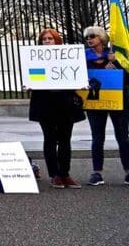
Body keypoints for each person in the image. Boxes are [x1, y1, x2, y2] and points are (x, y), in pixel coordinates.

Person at [28, 28, 85, 189]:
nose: (47, 41)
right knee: (50, 138)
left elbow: (75, 75)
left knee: (65, 139)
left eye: (50, 39)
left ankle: (65, 174)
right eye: (44, 39)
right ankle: (55, 175)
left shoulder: (68, 58)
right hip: (45, 103)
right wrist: (30, 84)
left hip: (65, 103)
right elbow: (34, 76)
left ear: (57, 40)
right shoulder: (35, 59)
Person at [81, 25, 129, 186]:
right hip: (95, 102)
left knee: (123, 137)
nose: (89, 39)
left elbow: (127, 77)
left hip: (117, 101)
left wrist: (116, 66)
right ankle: (97, 173)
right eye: (87, 37)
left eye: (92, 36)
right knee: (97, 137)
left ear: (101, 38)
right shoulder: (83, 58)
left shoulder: (115, 55)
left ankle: (128, 171)